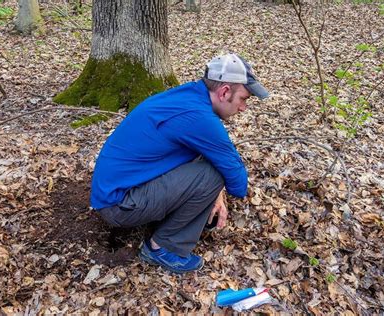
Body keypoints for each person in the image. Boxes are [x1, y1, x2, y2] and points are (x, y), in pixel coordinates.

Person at [90, 53, 269, 274]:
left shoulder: (188, 96)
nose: (243, 108)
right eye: (244, 99)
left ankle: (172, 223)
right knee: (212, 175)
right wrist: (216, 189)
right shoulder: (199, 117)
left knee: (209, 167)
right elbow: (238, 183)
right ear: (224, 92)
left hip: (117, 190)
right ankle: (162, 247)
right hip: (119, 205)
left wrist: (216, 196)